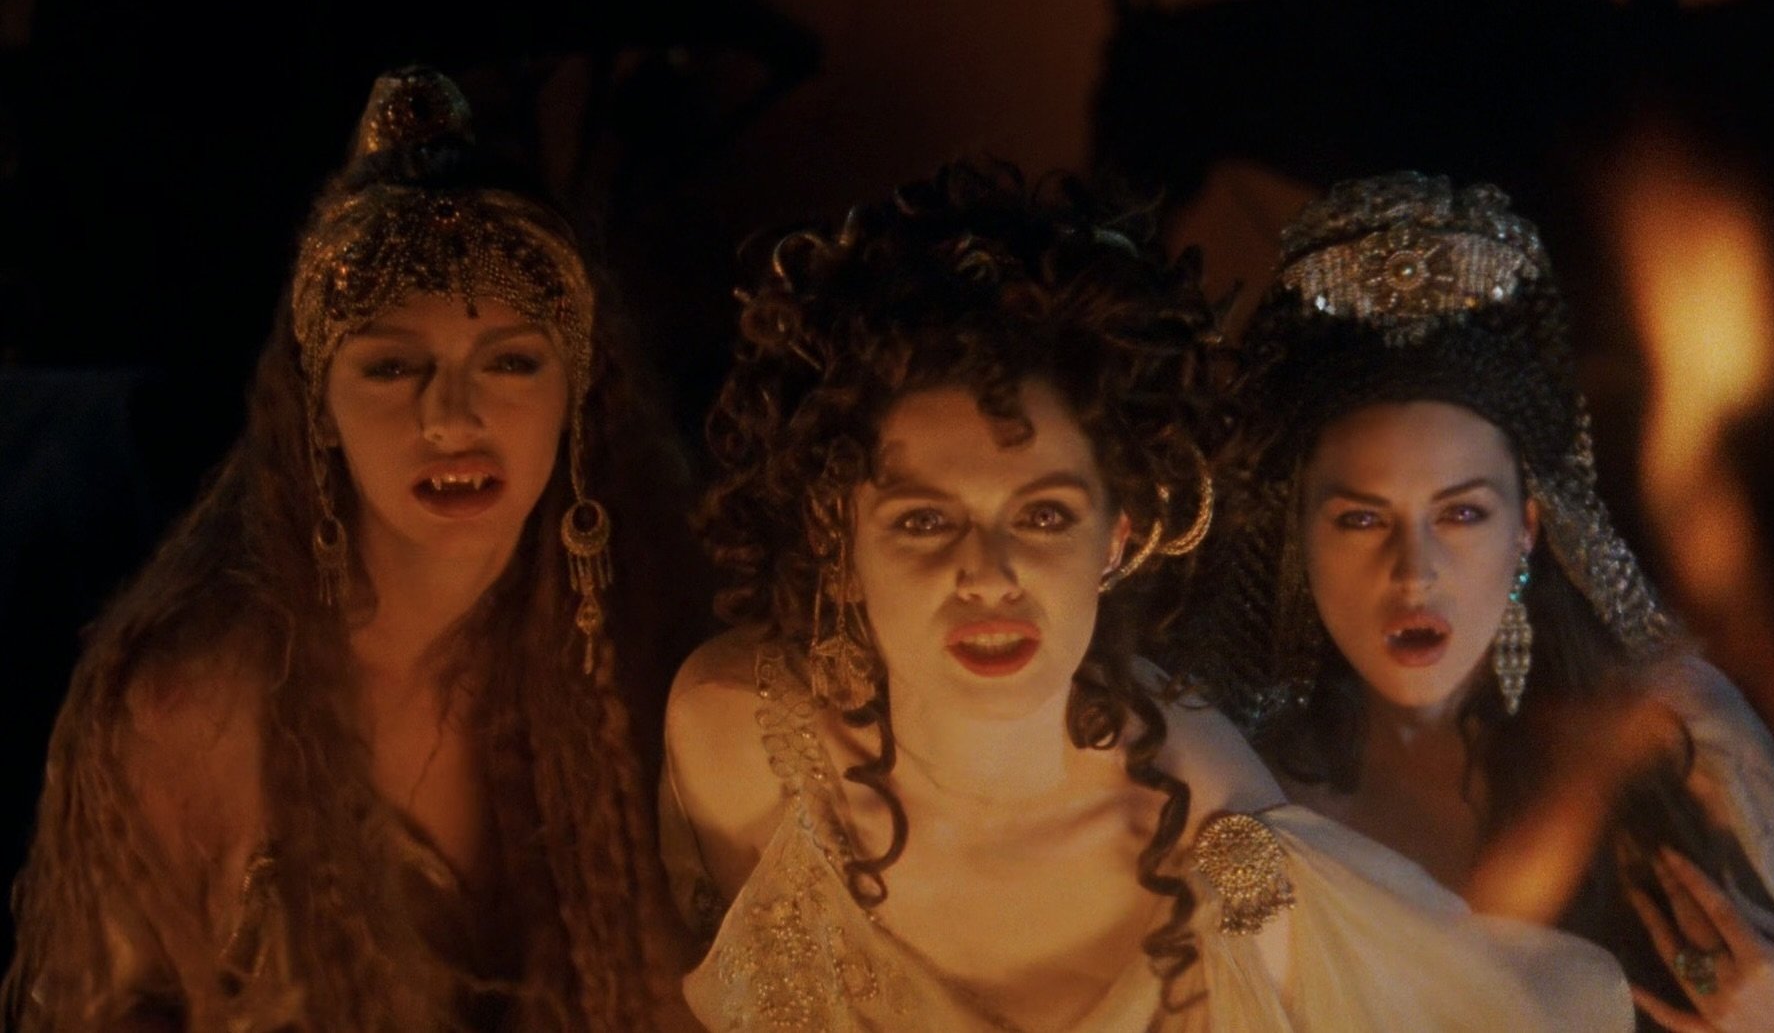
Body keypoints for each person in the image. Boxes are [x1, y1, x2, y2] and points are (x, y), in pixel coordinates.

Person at [660, 161, 1632, 1031]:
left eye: (1042, 515)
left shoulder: (1215, 837)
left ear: (1118, 534)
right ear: (838, 534)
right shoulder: (736, 743)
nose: (987, 573)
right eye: (923, 520)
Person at [4, 68, 694, 1032]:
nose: (451, 417)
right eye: (393, 366)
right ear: (316, 411)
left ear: (574, 397)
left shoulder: (648, 674)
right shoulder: (187, 709)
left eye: (509, 361)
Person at [1189, 171, 1774, 1032]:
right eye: (1362, 518)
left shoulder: (1679, 740)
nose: (1413, 572)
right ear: (1297, 531)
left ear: (1526, 526)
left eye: (1460, 513)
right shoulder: (1241, 796)